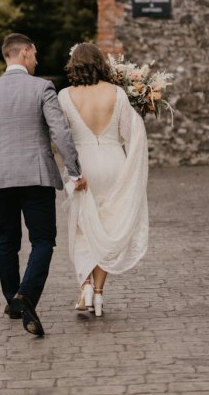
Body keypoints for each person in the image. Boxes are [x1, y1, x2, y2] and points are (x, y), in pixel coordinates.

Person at [0, 33, 87, 336]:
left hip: (0, 177)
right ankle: (25, 296)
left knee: (6, 239)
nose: (37, 60)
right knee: (43, 239)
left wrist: (0, 155)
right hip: (36, 175)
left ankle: (12, 300)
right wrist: (75, 171)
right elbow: (59, 133)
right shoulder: (42, 87)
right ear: (22, 53)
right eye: (34, 55)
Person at [58, 43, 148, 317]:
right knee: (107, 229)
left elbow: (62, 138)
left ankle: (84, 286)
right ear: (101, 64)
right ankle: (98, 293)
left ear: (74, 66)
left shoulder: (64, 96)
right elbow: (127, 133)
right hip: (113, 163)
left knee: (83, 228)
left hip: (82, 167)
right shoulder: (118, 94)